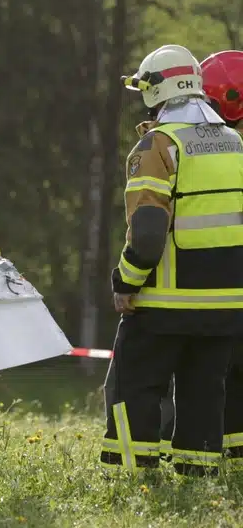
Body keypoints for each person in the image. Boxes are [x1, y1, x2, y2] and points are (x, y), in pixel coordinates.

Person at [101, 44, 243, 476]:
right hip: (225, 307)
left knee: (132, 385)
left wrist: (126, 283)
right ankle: (197, 475)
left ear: (154, 91)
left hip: (163, 304)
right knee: (205, 393)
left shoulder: (157, 146)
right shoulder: (234, 143)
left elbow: (146, 234)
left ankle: (131, 475)